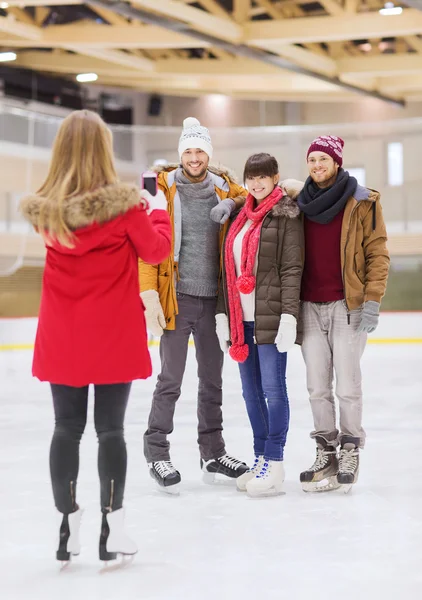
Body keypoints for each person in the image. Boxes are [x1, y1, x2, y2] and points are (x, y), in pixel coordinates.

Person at [19, 110, 171, 562]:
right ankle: (113, 530)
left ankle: (68, 527)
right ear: (104, 151)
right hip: (112, 335)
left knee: (65, 429)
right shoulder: (126, 209)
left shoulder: (46, 215)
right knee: (111, 432)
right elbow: (156, 250)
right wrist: (157, 209)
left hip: (63, 335)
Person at [139, 117, 249, 493]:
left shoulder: (223, 188)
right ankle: (157, 452)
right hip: (177, 297)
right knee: (170, 379)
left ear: (209, 155)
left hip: (214, 301)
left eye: (200, 150)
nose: (194, 157)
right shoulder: (161, 188)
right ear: (180, 154)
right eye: (188, 150)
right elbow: (146, 248)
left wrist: (233, 202)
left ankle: (212, 452)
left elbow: (255, 197)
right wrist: (149, 295)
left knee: (212, 380)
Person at [297, 135, 389, 492]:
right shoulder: (299, 202)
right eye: (312, 160)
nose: (317, 166)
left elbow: (377, 253)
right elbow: (258, 196)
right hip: (308, 306)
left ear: (336, 161)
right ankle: (325, 451)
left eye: (323, 159)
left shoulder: (361, 201)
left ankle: (350, 449)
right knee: (317, 387)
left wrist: (372, 299)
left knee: (348, 385)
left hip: (346, 305)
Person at [215, 153, 304, 497]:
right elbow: (226, 270)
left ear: (275, 177)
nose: (256, 183)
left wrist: (288, 315)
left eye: (263, 177)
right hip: (242, 321)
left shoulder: (286, 214)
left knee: (273, 390)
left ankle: (275, 461)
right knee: (250, 393)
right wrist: (223, 314)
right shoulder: (239, 216)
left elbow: (291, 268)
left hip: (270, 317)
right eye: (251, 177)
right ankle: (260, 458)